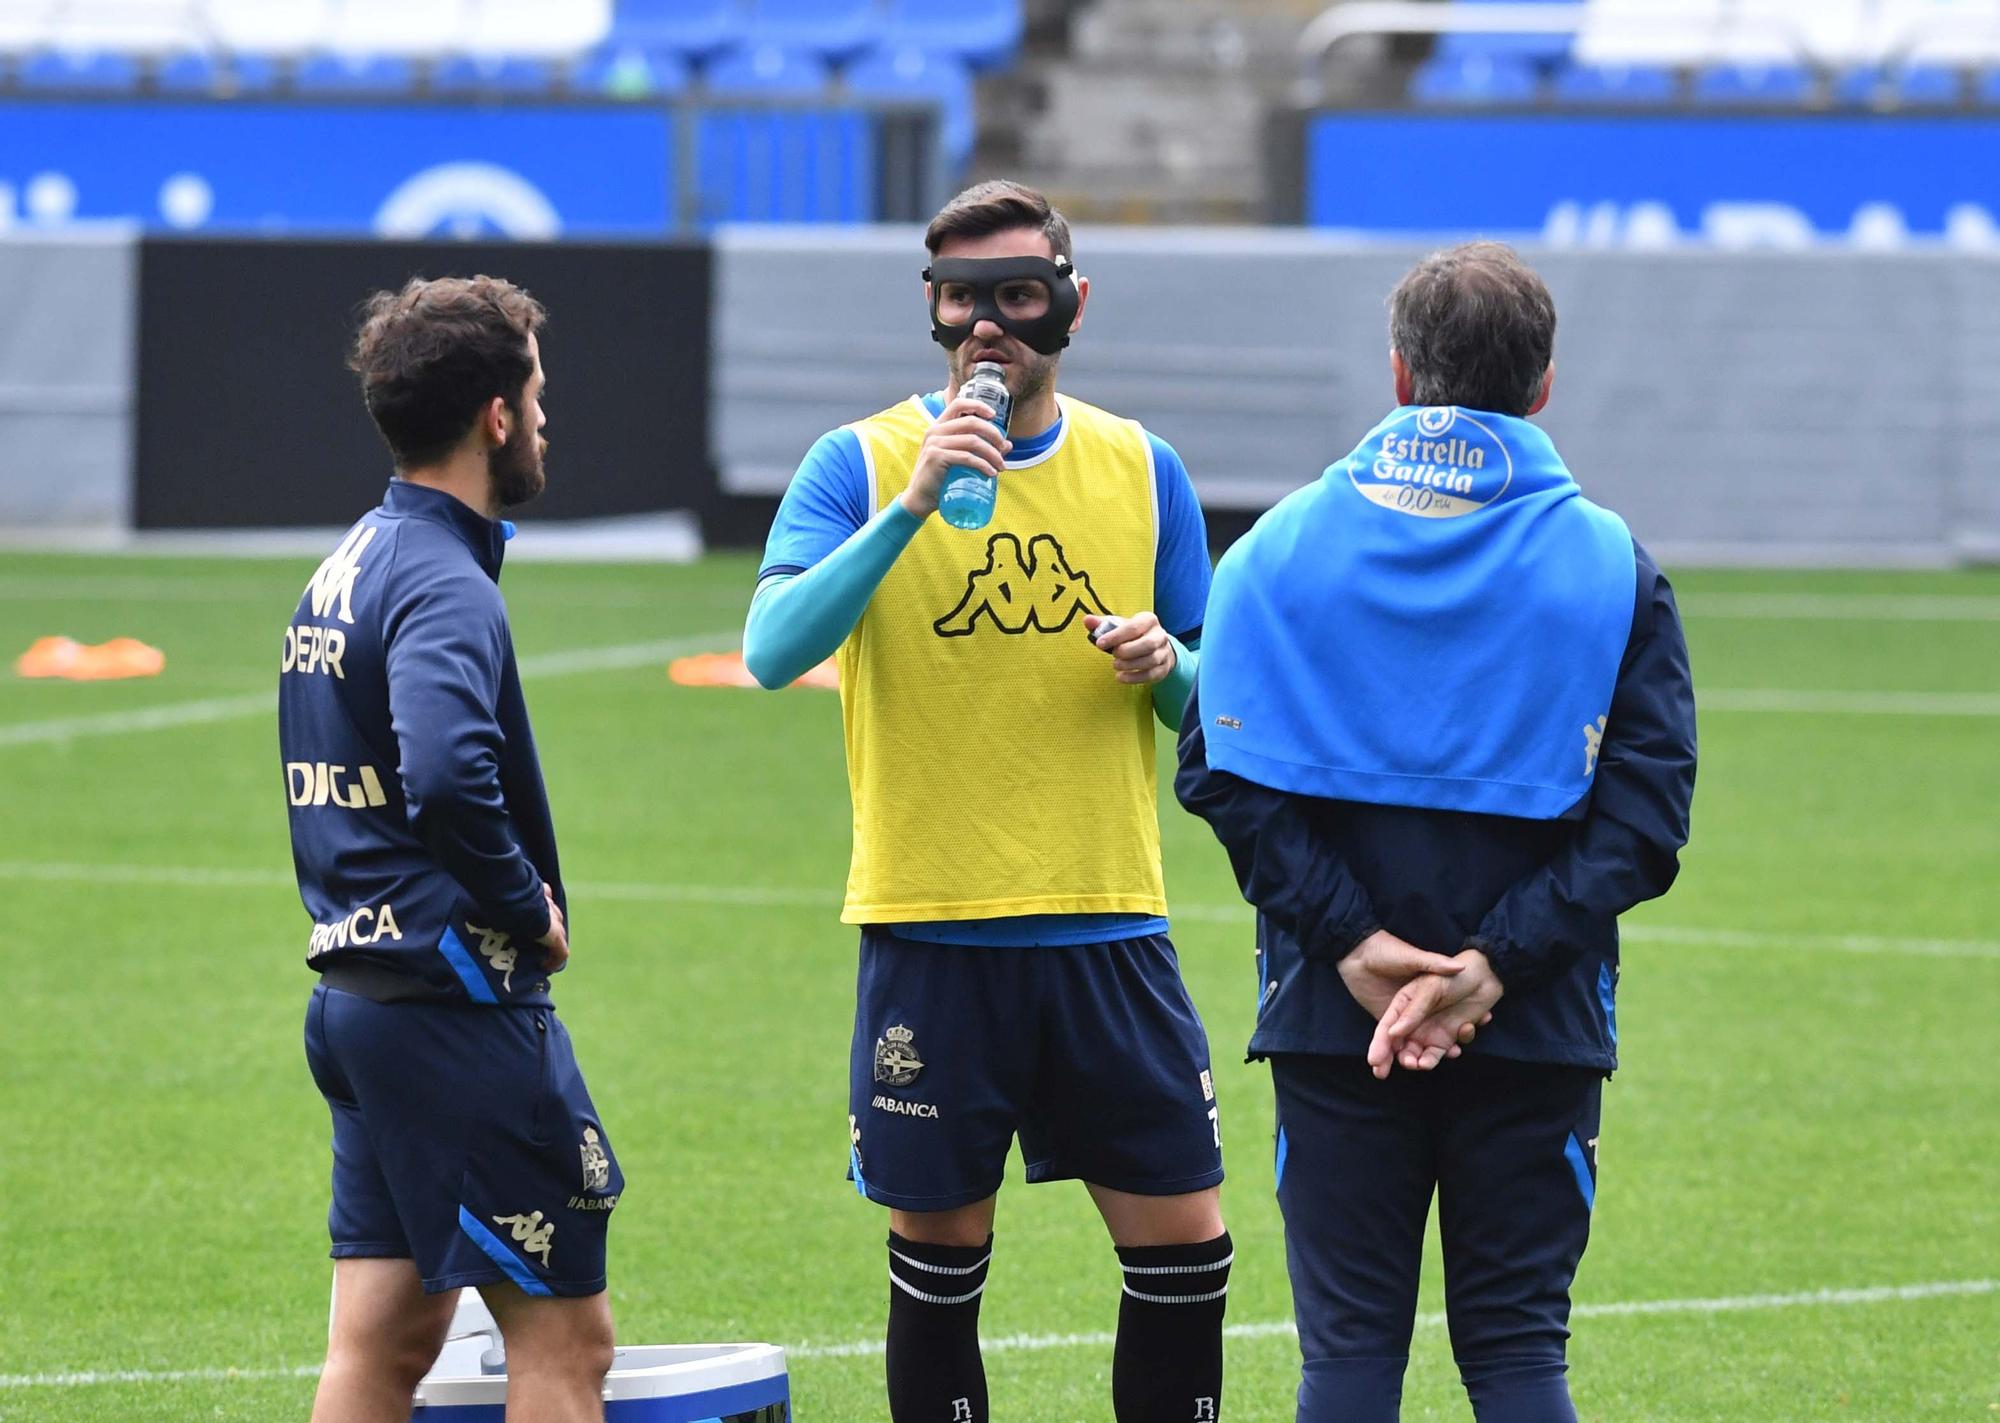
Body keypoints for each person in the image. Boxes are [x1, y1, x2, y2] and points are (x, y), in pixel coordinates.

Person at [1176, 242, 1697, 1423]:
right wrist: (1492, 966)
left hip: (1329, 1018)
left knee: (1348, 1355)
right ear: (1544, 385)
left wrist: (1353, 944)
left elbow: (1215, 765)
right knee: (1516, 1353)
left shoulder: (1276, 549)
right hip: (1537, 1021)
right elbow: (1645, 818)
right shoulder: (1611, 568)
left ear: (1400, 375)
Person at [745, 180, 1232, 1423]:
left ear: (1070, 302)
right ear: (931, 307)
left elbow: (1225, 711)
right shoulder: (854, 462)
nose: (985, 328)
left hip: (1107, 925)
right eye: (960, 300)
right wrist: (910, 506)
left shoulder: (1142, 467)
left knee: (1185, 1257)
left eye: (1016, 296)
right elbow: (770, 643)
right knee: (938, 1277)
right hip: (931, 931)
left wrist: (1167, 667)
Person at [280, 275, 622, 1423]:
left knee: (382, 1342)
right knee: (567, 1342)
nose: (543, 418)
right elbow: (442, 771)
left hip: (361, 1002)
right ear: (493, 416)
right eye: (535, 394)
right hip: (454, 1004)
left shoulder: (353, 559)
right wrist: (526, 907)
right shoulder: (442, 580)